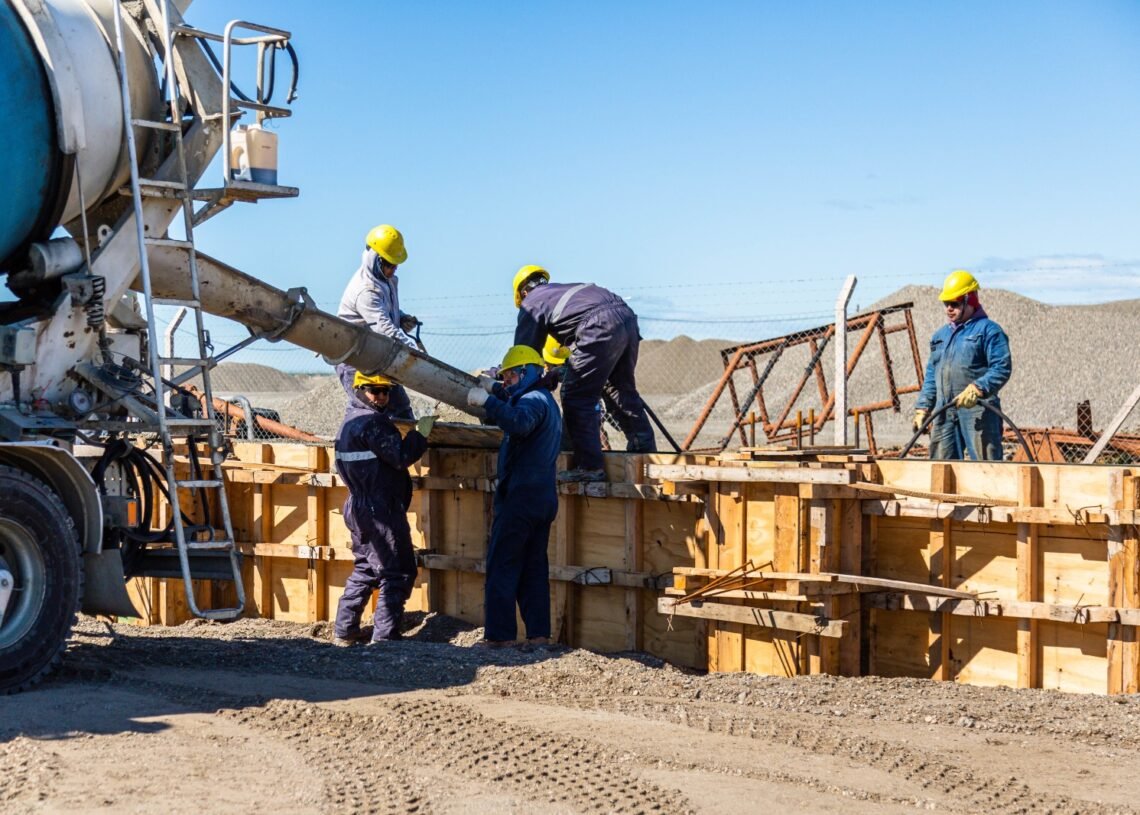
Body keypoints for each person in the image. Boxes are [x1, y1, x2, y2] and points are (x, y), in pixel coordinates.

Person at [512, 265, 655, 482]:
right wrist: (563, 371)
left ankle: (589, 467)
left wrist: (521, 386)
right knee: (621, 391)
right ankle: (644, 455)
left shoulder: (531, 303)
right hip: (626, 319)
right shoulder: (564, 293)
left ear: (523, 293)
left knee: (576, 396)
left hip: (597, 325)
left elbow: (525, 355)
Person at [466, 345, 562, 647]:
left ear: (525, 373)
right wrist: (493, 387)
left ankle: (499, 637)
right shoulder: (542, 398)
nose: (505, 381)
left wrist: (487, 403)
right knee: (533, 570)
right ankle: (538, 636)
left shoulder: (532, 401)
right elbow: (515, 399)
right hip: (542, 498)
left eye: (508, 376)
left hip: (520, 498)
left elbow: (519, 421)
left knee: (503, 566)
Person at [332, 371, 435, 645]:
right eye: (373, 390)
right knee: (398, 571)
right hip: (381, 511)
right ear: (357, 390)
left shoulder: (348, 423)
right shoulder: (373, 423)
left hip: (358, 507)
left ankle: (345, 630)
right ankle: (385, 637)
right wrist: (419, 435)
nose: (380, 396)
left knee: (366, 568)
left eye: (385, 391)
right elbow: (400, 457)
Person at [913, 270, 1012, 461]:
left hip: (979, 410)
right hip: (945, 410)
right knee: (941, 468)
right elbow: (933, 374)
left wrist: (978, 388)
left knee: (987, 467)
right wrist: (923, 407)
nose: (949, 308)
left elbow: (1002, 366)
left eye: (955, 303)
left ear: (971, 300)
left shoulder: (989, 331)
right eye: (946, 303)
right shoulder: (940, 336)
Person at [335, 224, 421, 420]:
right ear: (376, 258)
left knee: (400, 409)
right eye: (389, 264)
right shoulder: (366, 289)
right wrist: (413, 350)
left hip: (377, 355)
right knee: (368, 408)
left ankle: (403, 448)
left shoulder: (384, 279)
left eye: (396, 264)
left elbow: (385, 313)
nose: (393, 269)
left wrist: (401, 317)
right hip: (353, 358)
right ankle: (361, 447)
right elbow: (384, 328)